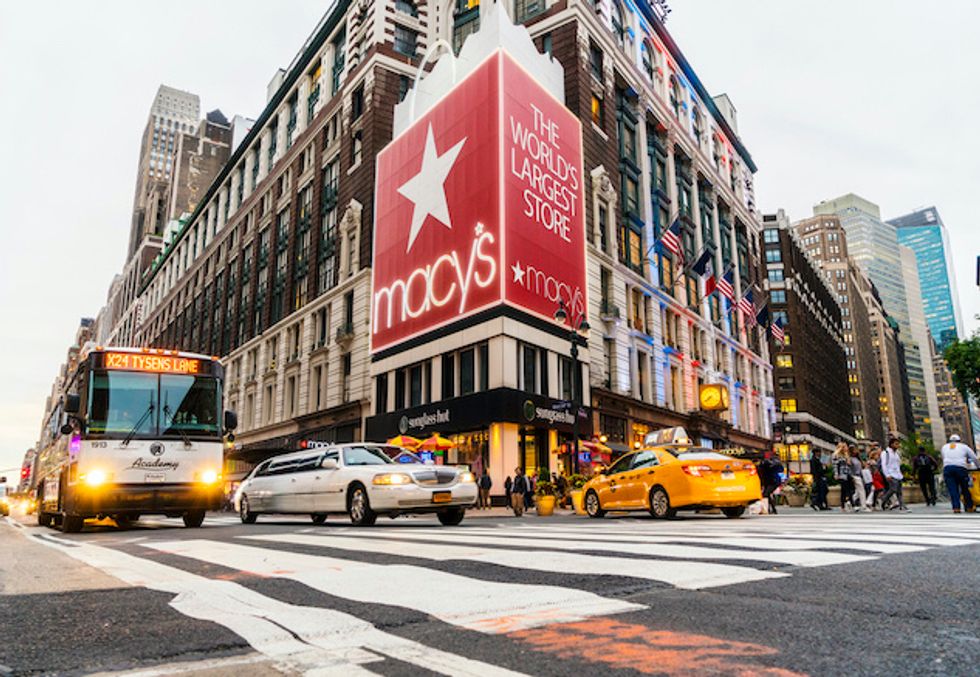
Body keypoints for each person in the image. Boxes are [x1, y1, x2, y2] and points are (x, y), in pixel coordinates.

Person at [940, 434, 978, 514]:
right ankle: (969, 507)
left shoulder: (944, 447)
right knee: (965, 488)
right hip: (960, 469)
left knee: (953, 489)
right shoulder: (964, 447)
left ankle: (956, 508)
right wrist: (978, 466)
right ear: (959, 441)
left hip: (948, 469)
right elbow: (974, 458)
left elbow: (944, 458)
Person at [879, 437, 907, 511]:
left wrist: (901, 474)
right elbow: (883, 464)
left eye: (898, 444)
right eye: (896, 444)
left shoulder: (897, 454)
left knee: (899, 491)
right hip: (890, 474)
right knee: (893, 489)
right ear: (891, 444)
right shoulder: (885, 453)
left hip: (898, 475)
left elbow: (898, 465)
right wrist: (887, 475)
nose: (898, 446)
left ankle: (902, 505)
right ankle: (884, 500)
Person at [832, 443, 853, 511]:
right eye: (845, 447)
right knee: (845, 489)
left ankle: (845, 505)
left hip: (848, 474)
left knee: (846, 490)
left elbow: (849, 464)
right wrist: (836, 474)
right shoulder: (836, 455)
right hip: (842, 475)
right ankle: (847, 503)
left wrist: (847, 457)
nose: (846, 448)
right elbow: (835, 465)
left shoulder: (846, 455)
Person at [849, 445, 867, 512]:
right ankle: (864, 506)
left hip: (859, 475)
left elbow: (862, 467)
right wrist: (851, 477)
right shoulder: (850, 459)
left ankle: (850, 501)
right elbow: (849, 469)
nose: (856, 451)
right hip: (855, 476)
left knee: (857, 492)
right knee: (862, 491)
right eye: (854, 450)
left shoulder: (857, 459)